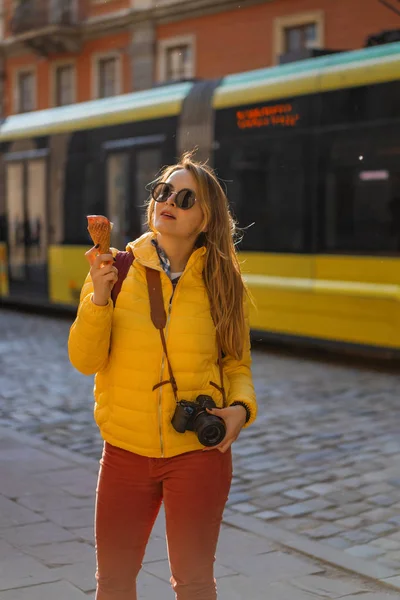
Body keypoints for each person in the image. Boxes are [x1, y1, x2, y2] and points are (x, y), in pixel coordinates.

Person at [68, 152, 257, 600]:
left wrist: (241, 410)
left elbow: (236, 364)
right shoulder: (115, 270)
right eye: (163, 191)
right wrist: (99, 297)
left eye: (184, 197)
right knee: (113, 583)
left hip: (198, 453)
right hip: (125, 452)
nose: (168, 200)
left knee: (193, 584)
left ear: (205, 217)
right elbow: (84, 359)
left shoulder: (222, 282)